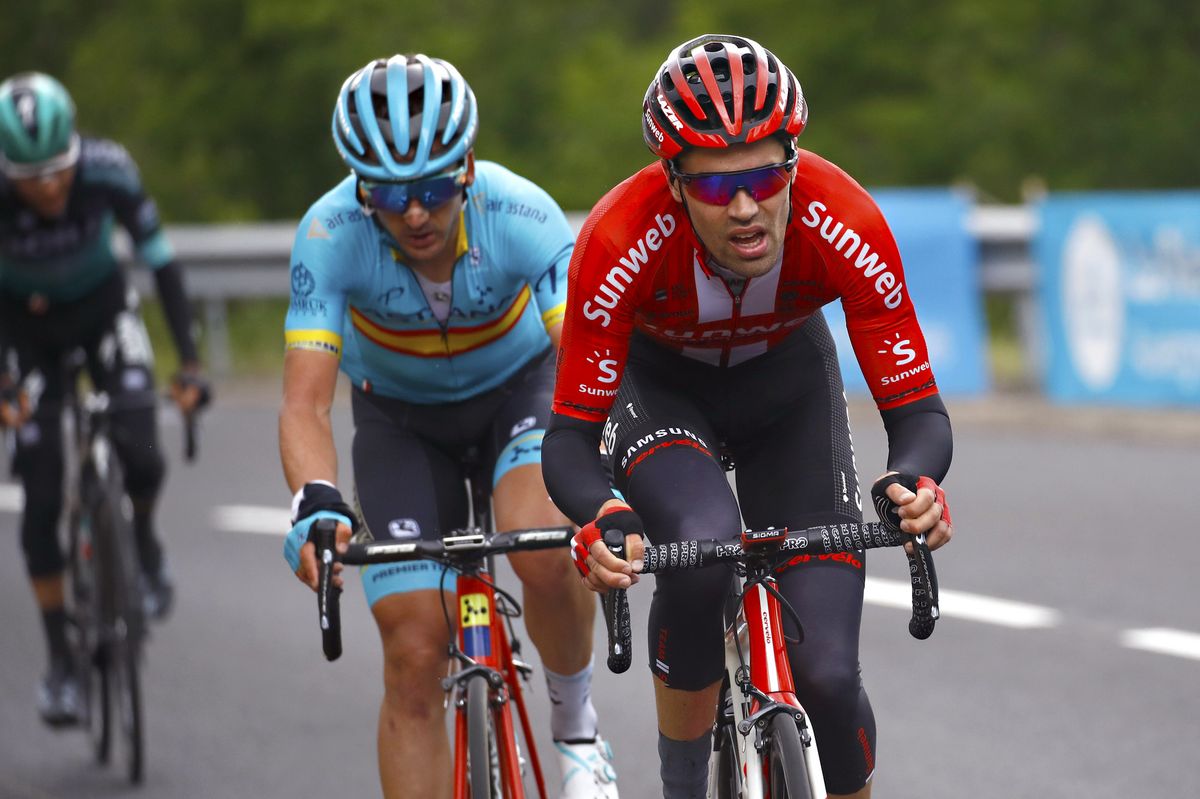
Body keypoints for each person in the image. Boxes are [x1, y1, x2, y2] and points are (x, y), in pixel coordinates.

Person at [542, 34, 955, 799]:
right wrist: (605, 513)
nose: (744, 207)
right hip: (662, 391)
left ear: (793, 161)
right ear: (671, 182)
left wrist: (914, 481)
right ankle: (681, 785)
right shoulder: (616, 237)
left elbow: (917, 410)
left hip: (786, 388)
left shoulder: (845, 218)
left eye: (766, 175)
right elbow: (568, 438)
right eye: (711, 188)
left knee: (828, 676)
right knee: (701, 549)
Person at [280, 54, 619, 799]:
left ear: (467, 167)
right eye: (391, 196)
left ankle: (576, 726)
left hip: (519, 396)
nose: (414, 215)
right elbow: (304, 403)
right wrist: (316, 498)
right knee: (412, 648)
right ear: (359, 188)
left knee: (543, 550)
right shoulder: (329, 233)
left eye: (434, 189)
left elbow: (589, 367)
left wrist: (614, 473)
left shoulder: (523, 213)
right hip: (399, 419)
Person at [0, 72, 207, 727]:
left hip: (102, 312)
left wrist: (192, 363)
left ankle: (143, 543)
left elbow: (162, 262)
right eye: (31, 177)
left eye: (60, 169)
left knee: (142, 449)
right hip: (23, 330)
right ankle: (62, 659)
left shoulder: (110, 170)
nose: (51, 187)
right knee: (39, 492)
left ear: (77, 150)